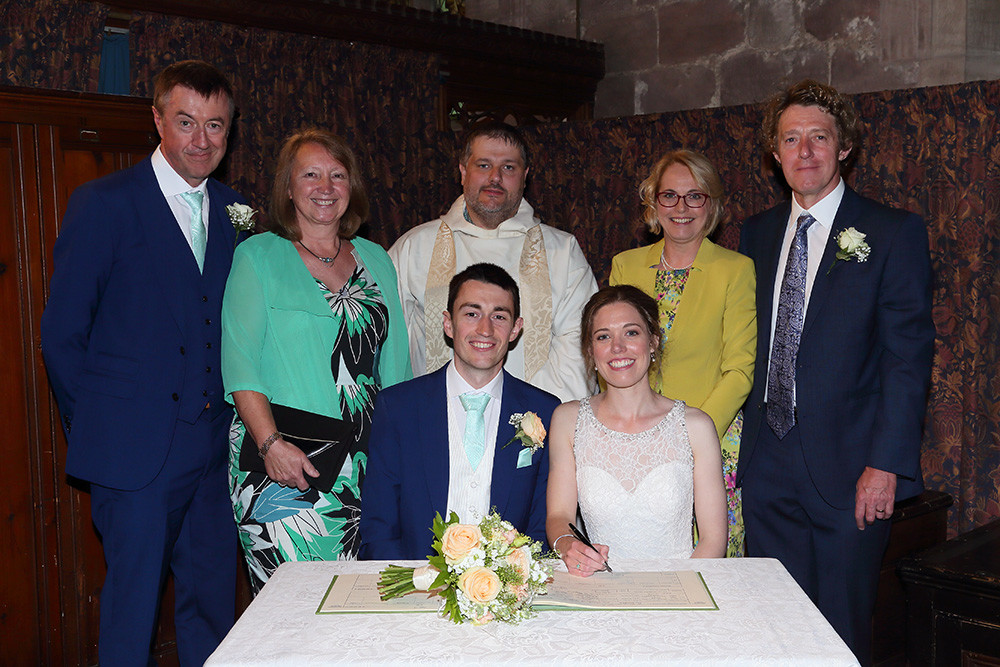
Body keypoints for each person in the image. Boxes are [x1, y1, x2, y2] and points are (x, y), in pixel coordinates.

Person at [40, 60, 243, 665]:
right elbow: (62, 336)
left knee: (212, 609)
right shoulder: (103, 203)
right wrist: (99, 428)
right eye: (186, 122)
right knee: (132, 616)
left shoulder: (237, 211)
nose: (202, 140)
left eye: (215, 125)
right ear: (157, 119)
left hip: (214, 453)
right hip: (132, 455)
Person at [737, 80, 934, 663]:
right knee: (775, 634)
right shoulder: (756, 233)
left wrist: (886, 464)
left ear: (844, 147)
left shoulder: (892, 232)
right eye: (790, 139)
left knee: (841, 635)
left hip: (852, 474)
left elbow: (907, 360)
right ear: (775, 153)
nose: (804, 151)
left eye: (818, 137)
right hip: (766, 465)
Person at [222, 128, 411, 592]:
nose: (325, 187)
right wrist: (270, 445)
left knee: (360, 604)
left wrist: (400, 457)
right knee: (293, 605)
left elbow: (397, 367)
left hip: (367, 466)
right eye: (310, 174)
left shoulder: (376, 258)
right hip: (285, 467)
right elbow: (240, 363)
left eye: (337, 175)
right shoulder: (257, 256)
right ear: (288, 188)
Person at [610, 150, 755, 558]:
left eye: (695, 196)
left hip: (708, 440)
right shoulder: (625, 266)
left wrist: (690, 435)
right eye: (669, 195)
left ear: (711, 205)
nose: (681, 207)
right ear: (653, 202)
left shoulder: (735, 269)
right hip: (634, 438)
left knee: (707, 568)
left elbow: (740, 370)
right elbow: (613, 355)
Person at [360, 263, 559, 559]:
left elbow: (542, 526)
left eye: (499, 316)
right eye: (471, 314)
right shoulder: (398, 407)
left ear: (515, 328)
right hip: (416, 581)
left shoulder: (545, 410)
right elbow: (379, 526)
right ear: (448, 324)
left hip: (511, 584)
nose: (485, 329)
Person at [389, 121, 598, 402]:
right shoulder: (414, 247)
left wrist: (533, 415)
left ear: (525, 176)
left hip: (532, 418)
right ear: (463, 171)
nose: (495, 177)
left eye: (508, 167)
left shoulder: (562, 252)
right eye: (484, 165)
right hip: (433, 413)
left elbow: (579, 344)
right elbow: (389, 345)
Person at [546, 286, 728, 575]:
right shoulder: (568, 421)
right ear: (590, 351)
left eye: (631, 333)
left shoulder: (696, 426)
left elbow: (713, 539)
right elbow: (559, 516)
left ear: (653, 341)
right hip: (599, 586)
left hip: (681, 586)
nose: (617, 347)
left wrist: (674, 591)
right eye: (603, 336)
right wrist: (568, 545)